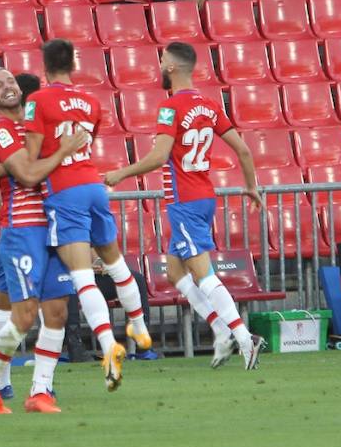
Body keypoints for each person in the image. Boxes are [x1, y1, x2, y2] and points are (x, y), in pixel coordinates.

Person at [103, 42, 265, 369]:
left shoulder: (171, 107)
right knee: (176, 271)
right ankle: (221, 331)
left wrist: (121, 172)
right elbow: (244, 151)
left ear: (173, 68)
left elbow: (159, 157)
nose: (160, 65)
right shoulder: (208, 104)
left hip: (185, 201)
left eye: (162, 60)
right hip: (204, 195)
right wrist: (251, 186)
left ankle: (246, 339)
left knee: (204, 275)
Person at [24, 38, 151, 390]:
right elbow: (86, 141)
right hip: (94, 184)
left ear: (44, 66)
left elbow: (34, 157)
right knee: (115, 262)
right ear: (73, 65)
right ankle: (139, 327)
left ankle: (109, 343)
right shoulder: (92, 101)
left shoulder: (37, 100)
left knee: (82, 277)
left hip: (64, 191)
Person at [0, 68, 89, 414]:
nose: (7, 87)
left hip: (54, 227)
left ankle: (41, 391)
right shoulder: (4, 131)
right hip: (23, 230)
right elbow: (26, 174)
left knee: (57, 312)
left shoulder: (40, 126)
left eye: (9, 81)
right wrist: (64, 148)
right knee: (22, 316)